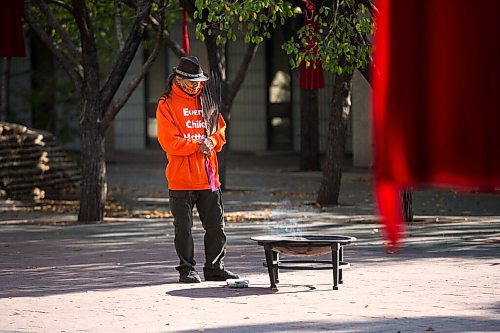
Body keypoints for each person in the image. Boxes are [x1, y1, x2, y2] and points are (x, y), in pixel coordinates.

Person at [156, 56, 239, 283]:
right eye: (192, 82)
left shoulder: (207, 100)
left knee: (216, 227)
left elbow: (220, 130)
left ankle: (215, 268)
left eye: (199, 81)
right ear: (180, 79)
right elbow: (169, 142)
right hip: (181, 179)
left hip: (209, 179)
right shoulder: (167, 104)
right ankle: (187, 269)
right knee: (183, 230)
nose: (197, 86)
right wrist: (197, 145)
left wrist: (212, 140)